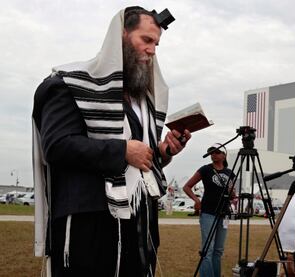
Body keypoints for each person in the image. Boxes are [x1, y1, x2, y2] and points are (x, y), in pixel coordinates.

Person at [32, 6, 191, 277]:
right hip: (89, 226)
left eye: (157, 44)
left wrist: (163, 152)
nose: (152, 51)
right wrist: (122, 151)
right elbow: (56, 146)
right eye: (146, 40)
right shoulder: (68, 85)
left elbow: (140, 159)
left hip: (138, 227)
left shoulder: (143, 103)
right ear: (121, 36)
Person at [183, 143, 235, 277]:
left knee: (218, 250)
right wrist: (196, 200)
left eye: (217, 152)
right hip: (208, 213)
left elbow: (233, 195)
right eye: (211, 152)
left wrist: (232, 193)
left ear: (224, 155)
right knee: (207, 250)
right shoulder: (205, 169)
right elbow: (187, 187)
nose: (213, 155)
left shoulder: (230, 173)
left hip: (224, 214)